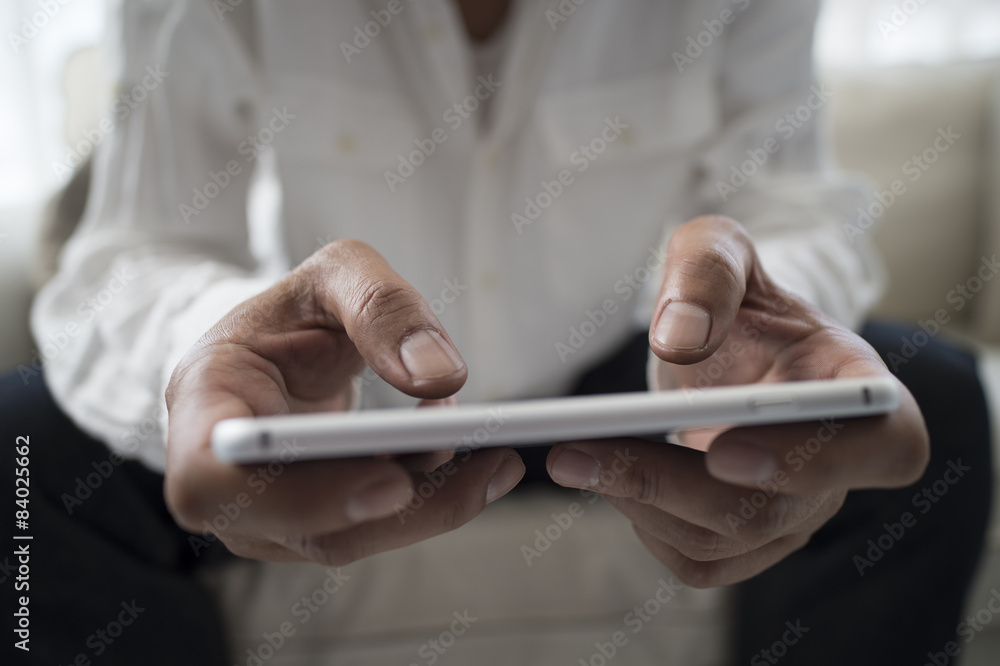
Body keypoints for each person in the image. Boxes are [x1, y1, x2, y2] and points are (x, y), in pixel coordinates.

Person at [14, 0, 990, 664]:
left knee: (926, 405)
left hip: (626, 375)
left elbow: (789, 203)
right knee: (17, 456)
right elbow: (137, 247)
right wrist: (214, 349)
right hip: (339, 395)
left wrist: (758, 322)